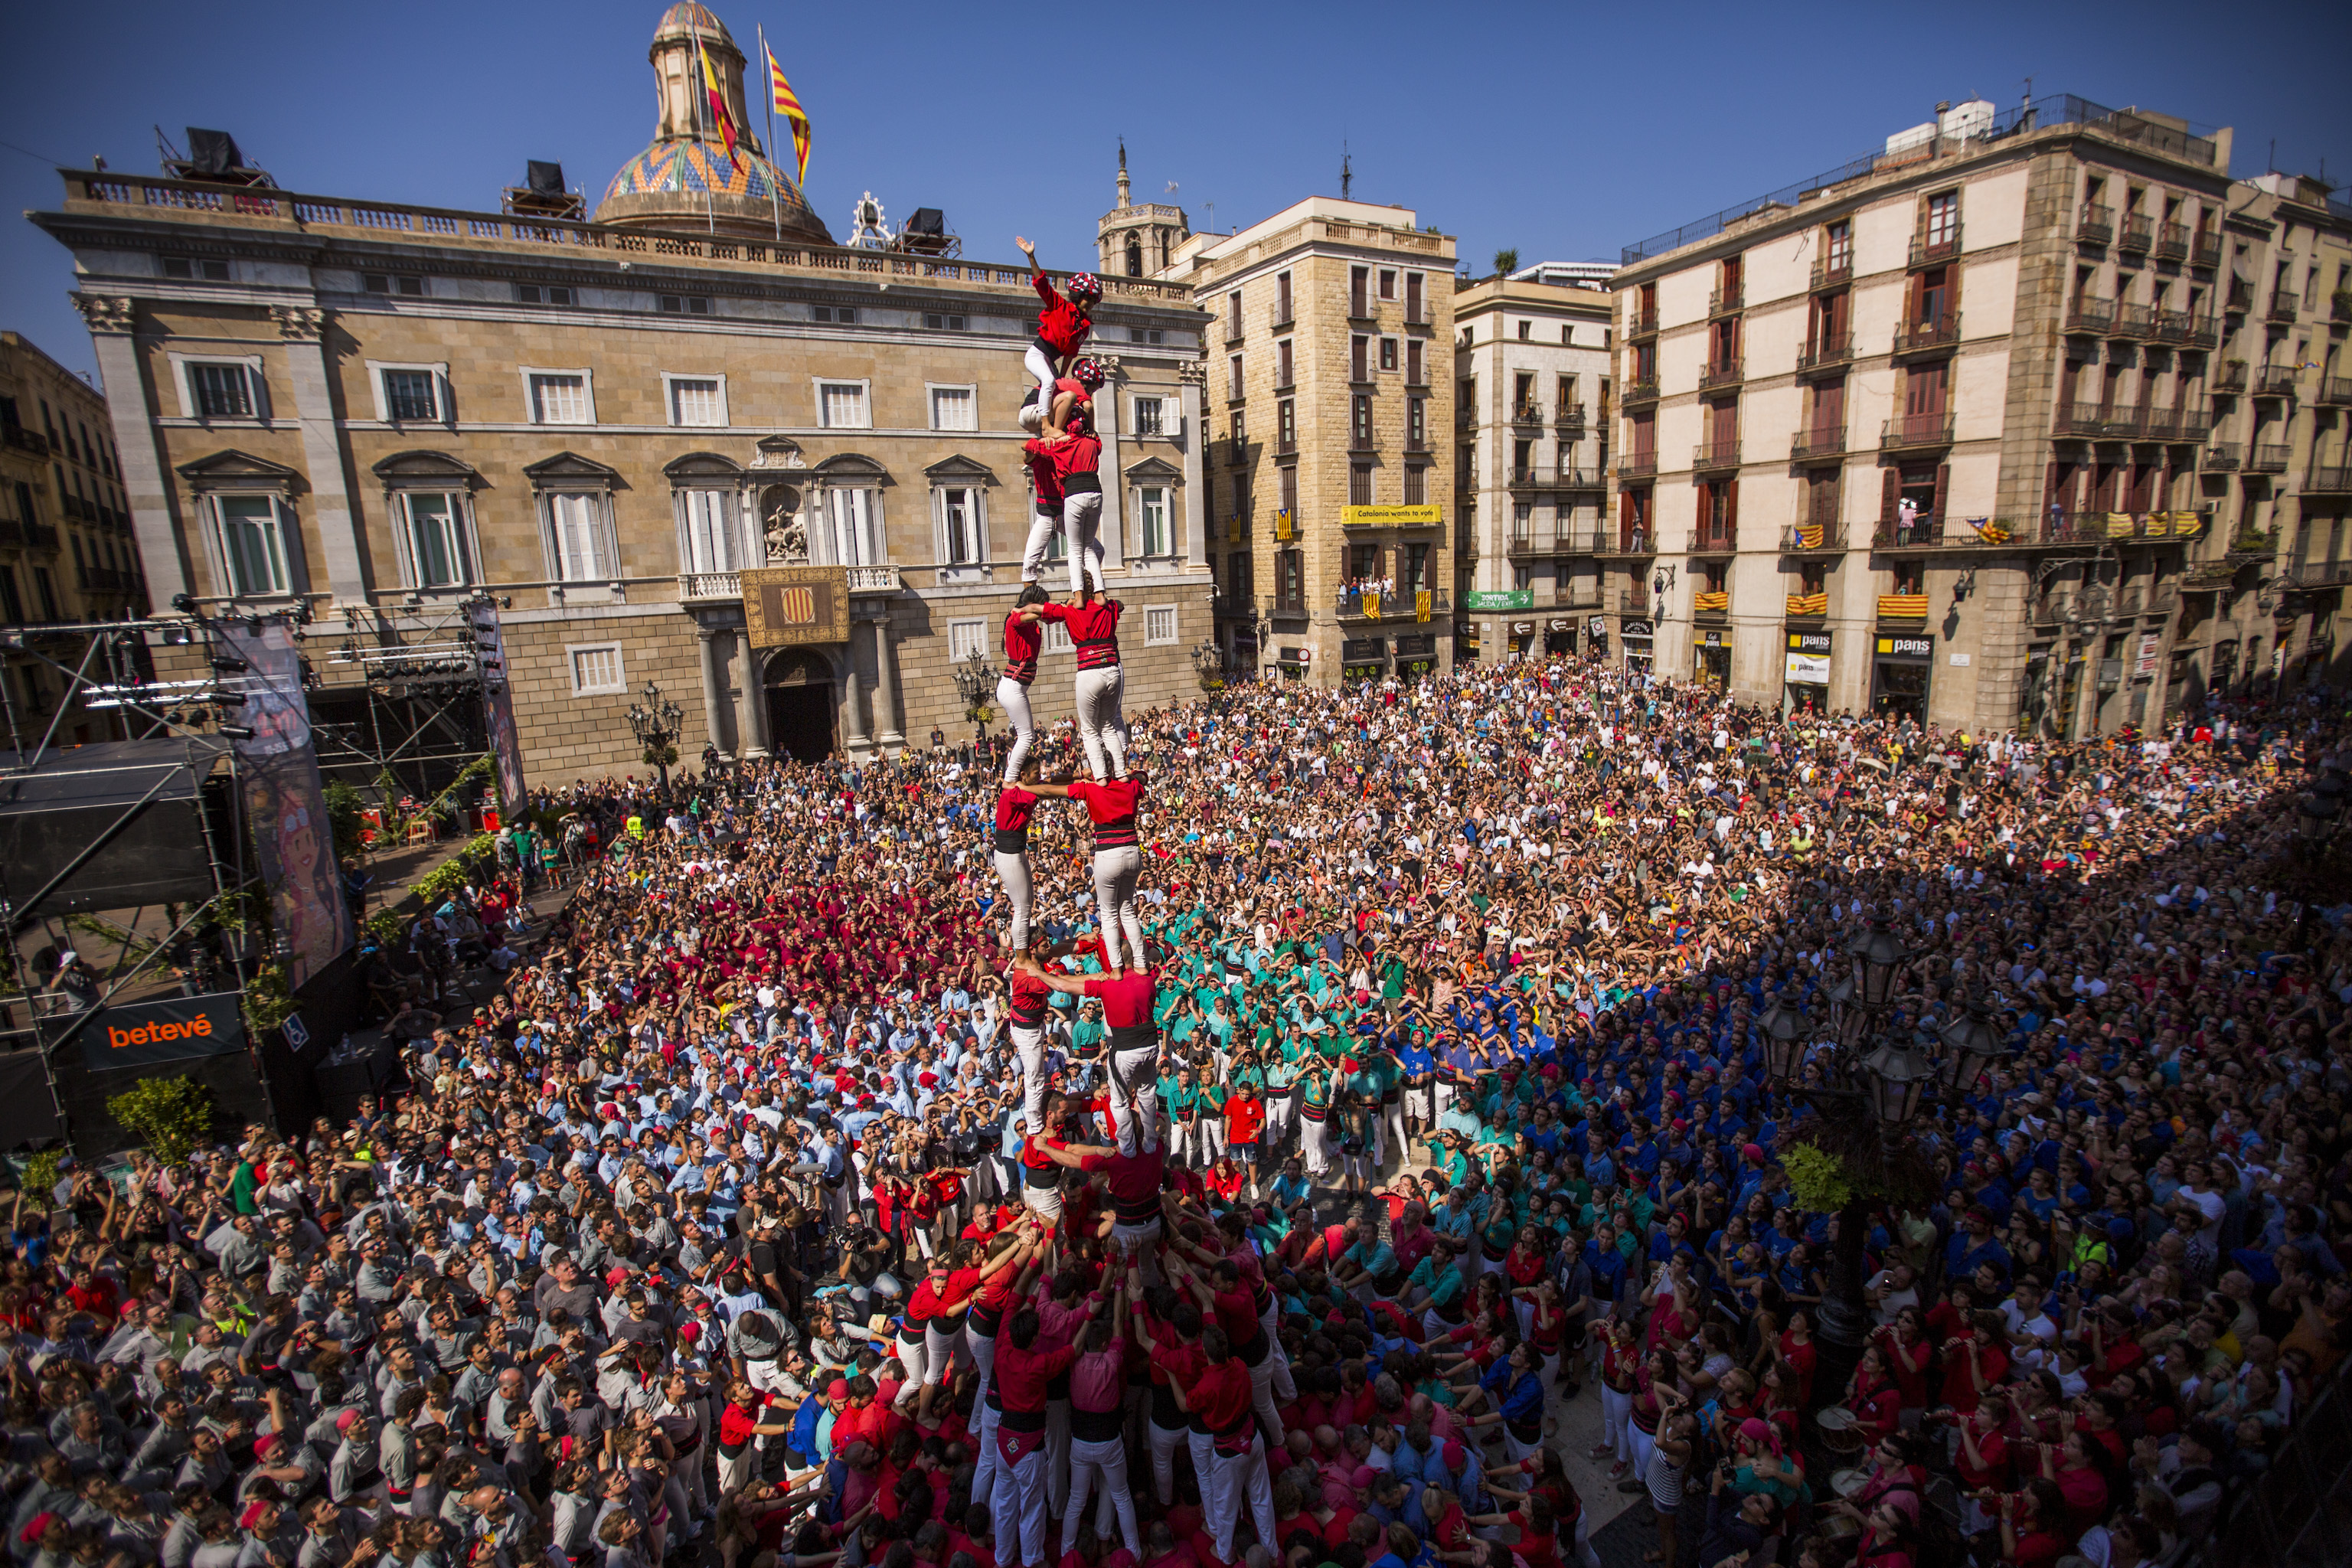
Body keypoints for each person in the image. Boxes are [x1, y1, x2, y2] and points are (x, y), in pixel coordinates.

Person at [1039, 584, 1128, 782]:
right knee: (1108, 726)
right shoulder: (1109, 607)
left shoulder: (1070, 610)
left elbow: (1041, 612)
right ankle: (1121, 773)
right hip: (1112, 670)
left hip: (1089, 672)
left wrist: (1065, 604)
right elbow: (1121, 605)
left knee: (1089, 730)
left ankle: (1101, 776)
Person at [1014, 237, 1099, 433]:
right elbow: (1042, 285)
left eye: (1095, 302)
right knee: (1049, 382)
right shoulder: (1060, 307)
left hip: (1051, 360)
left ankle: (1045, 432)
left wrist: (1061, 376)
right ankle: (1045, 425)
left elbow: (1069, 355)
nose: (1093, 305)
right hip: (1037, 353)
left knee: (1057, 387)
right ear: (1080, 297)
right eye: (1091, 300)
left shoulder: (1084, 327)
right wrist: (1031, 256)